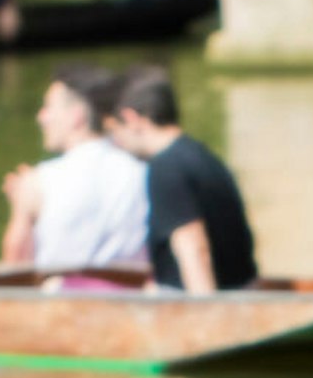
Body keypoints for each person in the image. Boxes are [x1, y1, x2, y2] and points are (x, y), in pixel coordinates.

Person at [102, 67, 258, 294]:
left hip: (200, 306)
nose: (115, 142)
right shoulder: (203, 156)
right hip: (242, 293)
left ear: (132, 119)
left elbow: (194, 249)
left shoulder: (165, 168)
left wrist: (206, 318)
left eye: (113, 130)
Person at [1, 66, 151, 275]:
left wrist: (20, 205)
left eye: (48, 107)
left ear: (76, 116)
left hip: (61, 303)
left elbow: (15, 264)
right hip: (131, 303)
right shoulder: (143, 173)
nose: (41, 118)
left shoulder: (40, 181)